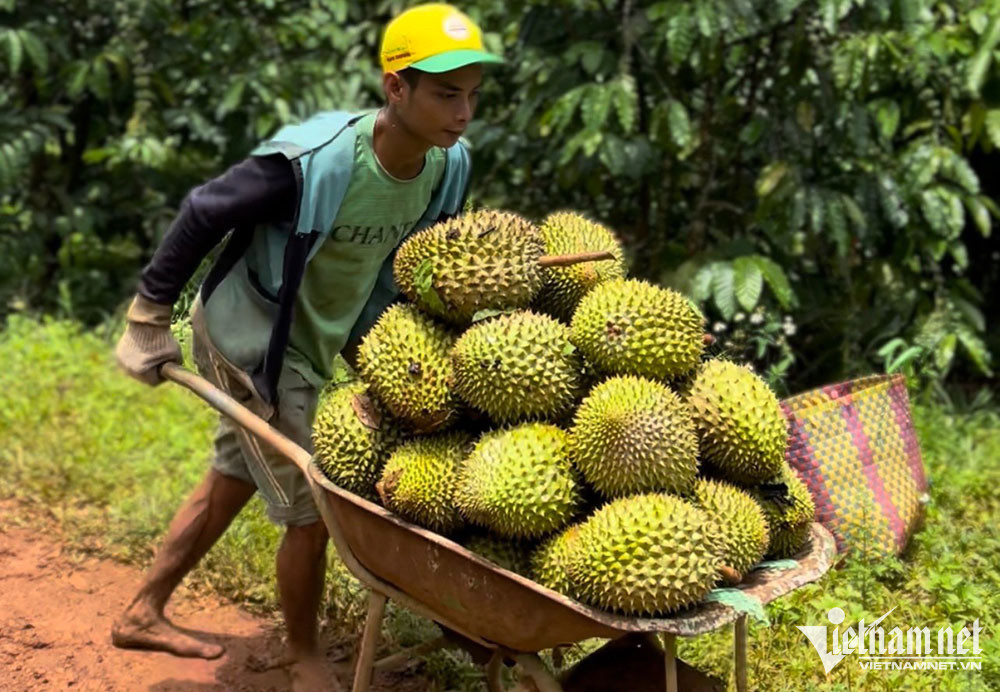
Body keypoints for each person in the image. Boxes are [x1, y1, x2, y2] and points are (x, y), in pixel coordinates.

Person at [110, 4, 502, 690]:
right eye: (446, 93)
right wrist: (148, 314)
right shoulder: (314, 162)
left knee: (236, 471)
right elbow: (204, 209)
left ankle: (142, 611)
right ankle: (303, 655)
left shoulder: (447, 166)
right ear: (396, 88)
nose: (463, 112)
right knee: (313, 498)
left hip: (320, 338)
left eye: (472, 94)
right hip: (250, 338)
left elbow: (422, 267)